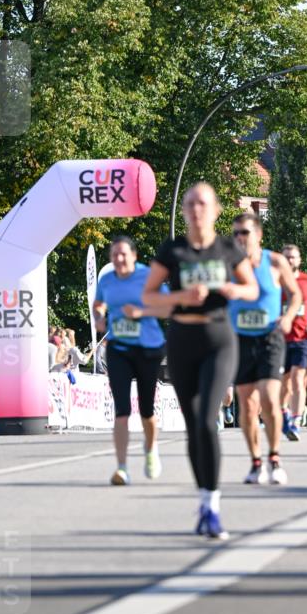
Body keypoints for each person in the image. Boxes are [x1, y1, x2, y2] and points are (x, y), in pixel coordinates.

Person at [142, 182, 258, 539]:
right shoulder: (173, 250)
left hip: (219, 339)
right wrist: (181, 296)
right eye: (190, 203)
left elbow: (251, 289)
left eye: (203, 203)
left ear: (216, 210)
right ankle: (204, 500)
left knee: (208, 419)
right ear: (184, 210)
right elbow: (149, 298)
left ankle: (213, 506)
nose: (195, 209)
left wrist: (231, 290)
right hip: (182, 339)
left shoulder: (226, 248)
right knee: (194, 426)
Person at [228, 212, 301, 484]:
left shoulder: (274, 261)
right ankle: (256, 463)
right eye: (235, 233)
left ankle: (275, 458)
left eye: (244, 232)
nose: (239, 238)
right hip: (240, 339)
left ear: (258, 235)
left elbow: (295, 294)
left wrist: (289, 316)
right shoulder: (229, 265)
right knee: (247, 407)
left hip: (270, 337)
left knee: (270, 400)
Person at [94, 236, 172, 485]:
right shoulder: (107, 280)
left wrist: (142, 312)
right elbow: (99, 304)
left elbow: (167, 308)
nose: (118, 259)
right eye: (114, 254)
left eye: (123, 254)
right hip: (119, 348)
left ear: (134, 256)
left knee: (147, 411)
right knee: (122, 410)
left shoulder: (148, 277)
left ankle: (151, 450)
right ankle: (122, 468)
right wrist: (98, 317)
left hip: (148, 348)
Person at [280, 245, 307, 441]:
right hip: (280, 339)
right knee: (283, 385)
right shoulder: (276, 280)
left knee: (297, 379)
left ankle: (295, 421)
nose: (290, 261)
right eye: (286, 257)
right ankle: (284, 414)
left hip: (302, 338)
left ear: (299, 260)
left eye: (293, 257)